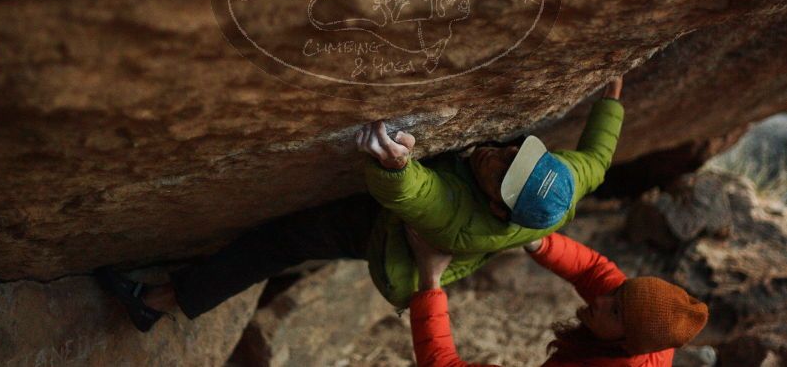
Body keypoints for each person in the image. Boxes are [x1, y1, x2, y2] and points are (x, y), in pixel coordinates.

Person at [95, 78, 625, 332]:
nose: (500, 155)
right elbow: (597, 160)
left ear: (501, 210)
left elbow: (420, 197)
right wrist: (611, 102)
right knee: (287, 244)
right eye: (517, 154)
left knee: (280, 242)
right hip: (417, 232)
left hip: (394, 244)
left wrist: (394, 165)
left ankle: (156, 302)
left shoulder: (463, 223)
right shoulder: (562, 184)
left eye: (504, 173)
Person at [405, 226, 709, 367]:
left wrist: (430, 280)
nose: (600, 300)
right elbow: (591, 269)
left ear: (627, 344)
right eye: (618, 292)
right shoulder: (650, 327)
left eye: (615, 311)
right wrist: (535, 239)